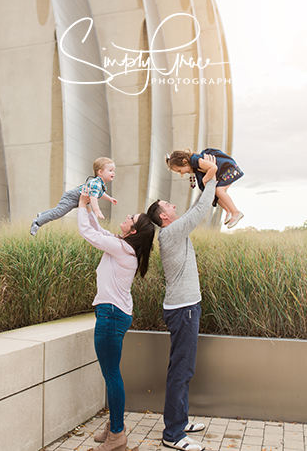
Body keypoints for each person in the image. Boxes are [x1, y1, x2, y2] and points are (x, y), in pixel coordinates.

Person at [75, 187, 157, 451]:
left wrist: (80, 204)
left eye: (129, 218)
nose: (125, 217)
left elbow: (87, 233)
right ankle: (113, 426)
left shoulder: (122, 249)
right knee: (112, 374)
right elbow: (98, 232)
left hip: (110, 316)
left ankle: (118, 435)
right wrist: (88, 207)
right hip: (115, 314)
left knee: (111, 375)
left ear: (132, 231)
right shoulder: (123, 247)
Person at [146, 153, 218, 451]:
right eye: (168, 205)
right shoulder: (172, 232)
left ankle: (180, 419)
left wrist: (203, 179)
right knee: (182, 370)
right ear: (164, 216)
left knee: (182, 367)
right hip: (183, 310)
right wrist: (212, 176)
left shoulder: (172, 231)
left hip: (186, 307)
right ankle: (173, 434)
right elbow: (200, 208)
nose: (173, 205)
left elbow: (193, 206)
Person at [31, 157, 117, 236]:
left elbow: (100, 194)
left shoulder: (99, 184)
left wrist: (109, 198)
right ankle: (37, 222)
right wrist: (97, 210)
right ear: (100, 172)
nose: (113, 173)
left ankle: (42, 215)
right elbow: (93, 198)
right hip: (71, 198)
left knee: (57, 210)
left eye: (113, 171)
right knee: (58, 213)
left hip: (75, 199)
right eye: (110, 170)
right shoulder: (96, 183)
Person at [166, 148, 245, 228]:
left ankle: (235, 212)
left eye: (180, 170)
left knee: (218, 190)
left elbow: (213, 167)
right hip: (223, 171)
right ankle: (228, 210)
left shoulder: (195, 160)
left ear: (185, 161)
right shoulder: (195, 165)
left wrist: (205, 180)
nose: (181, 173)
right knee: (214, 193)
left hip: (229, 169)